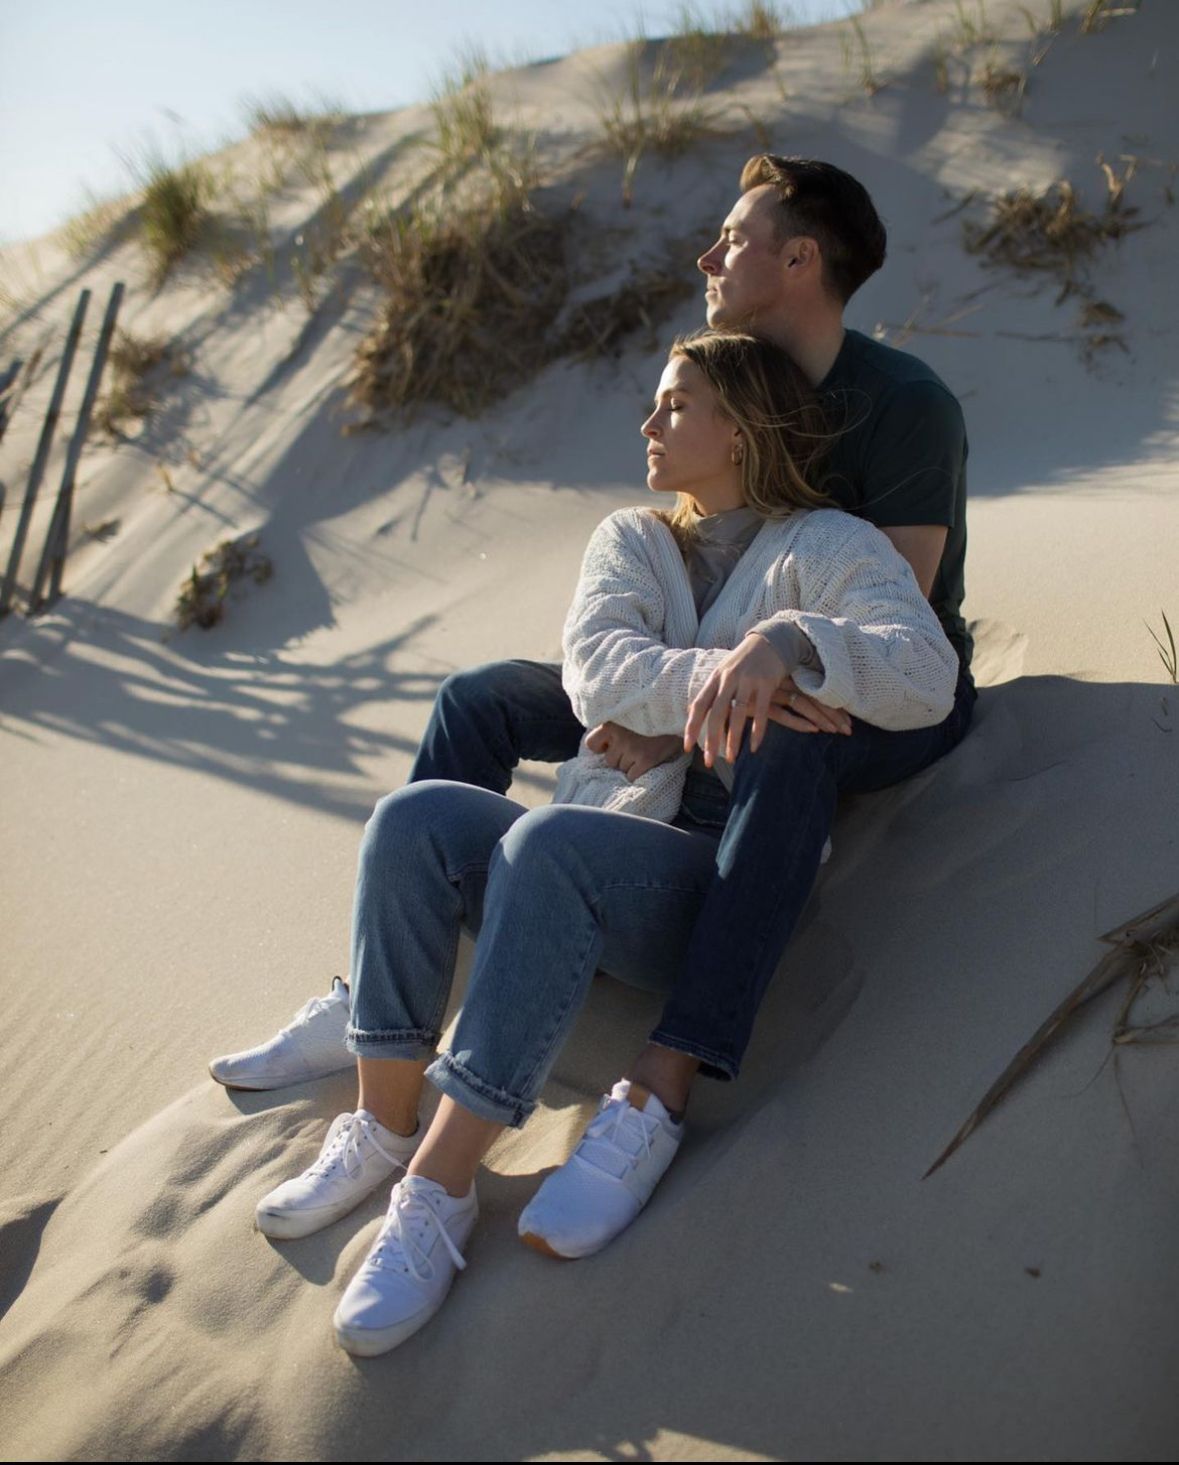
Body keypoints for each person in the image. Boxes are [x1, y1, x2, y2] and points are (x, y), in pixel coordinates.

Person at [248, 328, 959, 1357]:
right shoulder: (634, 539)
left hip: (698, 885)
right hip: (597, 824)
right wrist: (729, 691)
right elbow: (596, 676)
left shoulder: (833, 546)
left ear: (743, 424)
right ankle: (384, 1118)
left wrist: (795, 643)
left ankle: (435, 1191)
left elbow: (923, 674)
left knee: (547, 843)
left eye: (675, 403)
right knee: (413, 817)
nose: (649, 422)